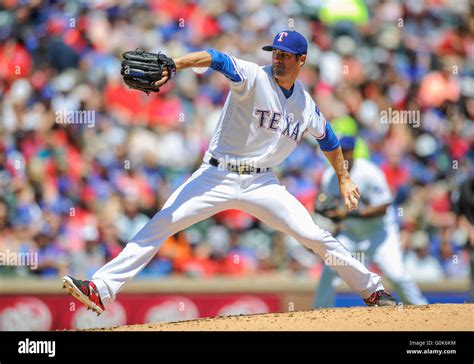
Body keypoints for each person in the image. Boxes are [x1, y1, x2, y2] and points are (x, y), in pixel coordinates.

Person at [62, 30, 396, 315]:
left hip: (262, 183)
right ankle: (101, 288)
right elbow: (216, 58)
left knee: (313, 236)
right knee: (161, 223)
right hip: (216, 176)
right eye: (276, 53)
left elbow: (329, 140)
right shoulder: (253, 76)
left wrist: (343, 176)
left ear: (302, 60)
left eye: (286, 55)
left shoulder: (305, 104)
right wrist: (175, 65)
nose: (278, 59)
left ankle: (373, 290)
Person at [314, 136, 427, 307]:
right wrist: (322, 208)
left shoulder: (368, 172)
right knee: (330, 269)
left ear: (352, 152)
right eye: (338, 151)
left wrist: (347, 213)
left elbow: (384, 206)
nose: (341, 154)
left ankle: (422, 309)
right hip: (350, 234)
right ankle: (318, 316)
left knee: (396, 275)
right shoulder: (330, 176)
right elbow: (325, 202)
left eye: (345, 151)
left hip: (379, 235)